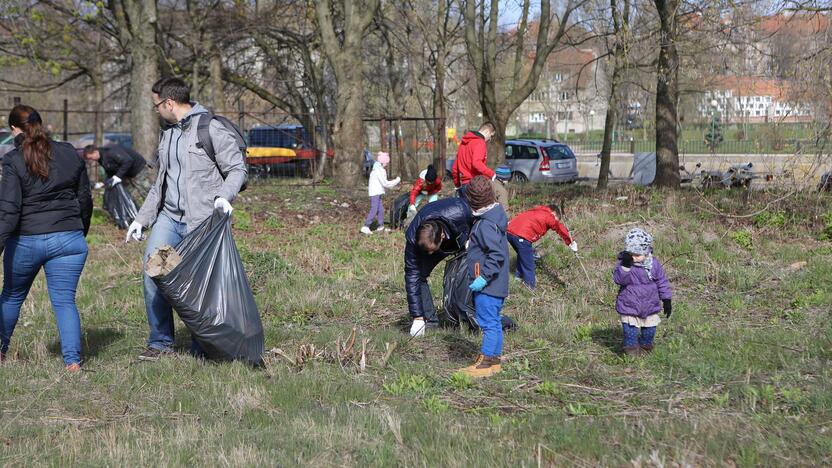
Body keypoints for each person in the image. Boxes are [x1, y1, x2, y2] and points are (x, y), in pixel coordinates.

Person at [126, 77, 247, 361]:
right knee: (153, 273)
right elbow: (160, 184)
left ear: (169, 102)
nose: (155, 110)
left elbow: (237, 169)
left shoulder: (211, 128)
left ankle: (203, 344)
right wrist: (141, 220)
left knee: (199, 285)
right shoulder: (167, 134)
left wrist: (223, 196)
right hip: (169, 219)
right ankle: (160, 342)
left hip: (201, 222)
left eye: (157, 105)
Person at [0, 105, 92, 371]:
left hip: (28, 240)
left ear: (14, 129)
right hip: (69, 238)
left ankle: (1, 351)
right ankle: (73, 362)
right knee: (65, 301)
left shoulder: (14, 159)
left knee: (12, 297)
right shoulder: (69, 153)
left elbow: (8, 210)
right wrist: (79, 231)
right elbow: (84, 198)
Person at [458, 176, 509, 378]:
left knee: (488, 323)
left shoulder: (487, 224)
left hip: (489, 285)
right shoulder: (493, 216)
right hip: (497, 283)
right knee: (494, 321)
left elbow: (496, 254)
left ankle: (485, 362)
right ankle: (495, 361)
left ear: (474, 200)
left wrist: (483, 277)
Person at [404, 197, 473, 336]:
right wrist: (417, 316)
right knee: (420, 276)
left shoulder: (460, 210)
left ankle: (468, 316)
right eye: (427, 251)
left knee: (466, 276)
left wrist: (474, 238)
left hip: (462, 238)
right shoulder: (413, 240)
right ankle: (430, 321)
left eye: (432, 250)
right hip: (443, 241)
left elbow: (481, 218)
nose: (429, 254)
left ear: (441, 235)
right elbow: (412, 276)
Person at [613, 228, 672, 357]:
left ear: (646, 252)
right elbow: (619, 279)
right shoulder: (624, 264)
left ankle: (645, 348)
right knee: (630, 332)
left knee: (649, 331)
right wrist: (626, 266)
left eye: (637, 255)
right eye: (631, 254)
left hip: (649, 305)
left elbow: (662, 281)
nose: (634, 258)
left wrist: (666, 299)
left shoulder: (654, 265)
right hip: (629, 306)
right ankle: (631, 352)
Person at [507, 205, 578, 289]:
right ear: (554, 213)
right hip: (521, 236)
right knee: (529, 264)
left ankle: (518, 277)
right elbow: (559, 227)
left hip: (510, 233)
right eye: (557, 219)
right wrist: (570, 242)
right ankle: (530, 288)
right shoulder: (548, 216)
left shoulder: (535, 210)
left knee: (523, 256)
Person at [81, 143, 150, 196]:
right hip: (126, 173)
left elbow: (128, 161)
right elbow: (110, 172)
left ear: (95, 152)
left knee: (145, 191)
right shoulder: (101, 159)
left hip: (138, 168)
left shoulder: (110, 152)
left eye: (91, 157)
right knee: (127, 195)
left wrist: (117, 176)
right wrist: (104, 183)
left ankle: (157, 208)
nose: (91, 160)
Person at [451, 122, 496, 197]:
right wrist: (491, 174)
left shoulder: (463, 143)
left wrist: (457, 185)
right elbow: (476, 163)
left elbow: (455, 168)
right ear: (487, 131)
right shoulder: (480, 143)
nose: (490, 139)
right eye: (491, 136)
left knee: (465, 208)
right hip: (475, 185)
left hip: (464, 185)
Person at [362, 151, 400, 235]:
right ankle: (366, 226)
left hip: (377, 192)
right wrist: (397, 180)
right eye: (386, 162)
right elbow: (385, 183)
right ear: (383, 162)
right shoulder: (379, 170)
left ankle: (380, 226)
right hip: (375, 192)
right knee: (374, 209)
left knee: (381, 210)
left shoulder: (378, 168)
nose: (387, 164)